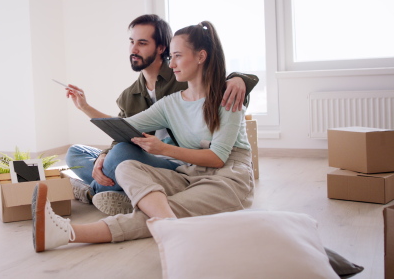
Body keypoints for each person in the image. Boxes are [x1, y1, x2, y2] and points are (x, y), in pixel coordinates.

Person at [32, 21, 254, 252]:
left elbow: (218, 158)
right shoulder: (171, 103)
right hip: (189, 174)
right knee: (125, 166)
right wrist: (84, 107)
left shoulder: (228, 96)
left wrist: (163, 149)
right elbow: (123, 126)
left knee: (161, 211)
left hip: (228, 178)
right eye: (171, 57)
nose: (173, 63)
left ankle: (66, 233)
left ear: (201, 57)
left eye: (177, 56)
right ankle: (170, 227)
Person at [64, 14, 258, 214]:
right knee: (76, 153)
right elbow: (125, 129)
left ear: (160, 48)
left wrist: (239, 79)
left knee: (121, 155)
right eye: (131, 42)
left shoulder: (184, 78)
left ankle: (93, 193)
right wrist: (86, 112)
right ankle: (117, 191)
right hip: (147, 154)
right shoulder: (130, 95)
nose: (134, 49)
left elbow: (225, 95)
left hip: (178, 161)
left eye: (142, 43)